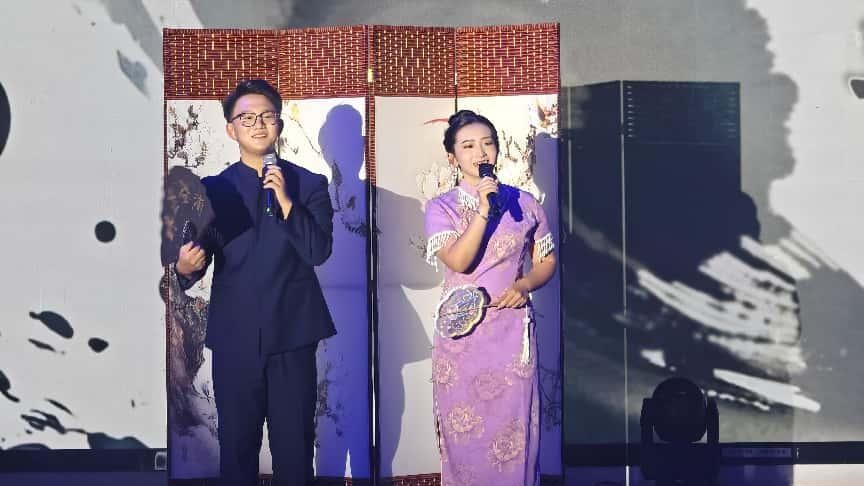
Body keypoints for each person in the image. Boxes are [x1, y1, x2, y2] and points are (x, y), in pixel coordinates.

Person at [175, 79, 335, 486]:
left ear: (279, 123)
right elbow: (198, 255)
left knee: (294, 449)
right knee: (237, 449)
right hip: (236, 336)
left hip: (293, 332)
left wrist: (285, 202)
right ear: (231, 129)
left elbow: (318, 251)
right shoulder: (214, 189)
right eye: (247, 118)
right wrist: (186, 267)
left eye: (267, 116)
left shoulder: (309, 184)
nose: (258, 125)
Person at [424, 110, 557, 484]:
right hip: (463, 337)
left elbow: (547, 261)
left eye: (487, 143)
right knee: (465, 440)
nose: (480, 152)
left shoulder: (525, 203)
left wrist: (524, 285)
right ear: (452, 157)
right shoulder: (442, 207)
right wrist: (484, 209)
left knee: (516, 433)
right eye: (468, 146)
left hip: (512, 335)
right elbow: (460, 261)